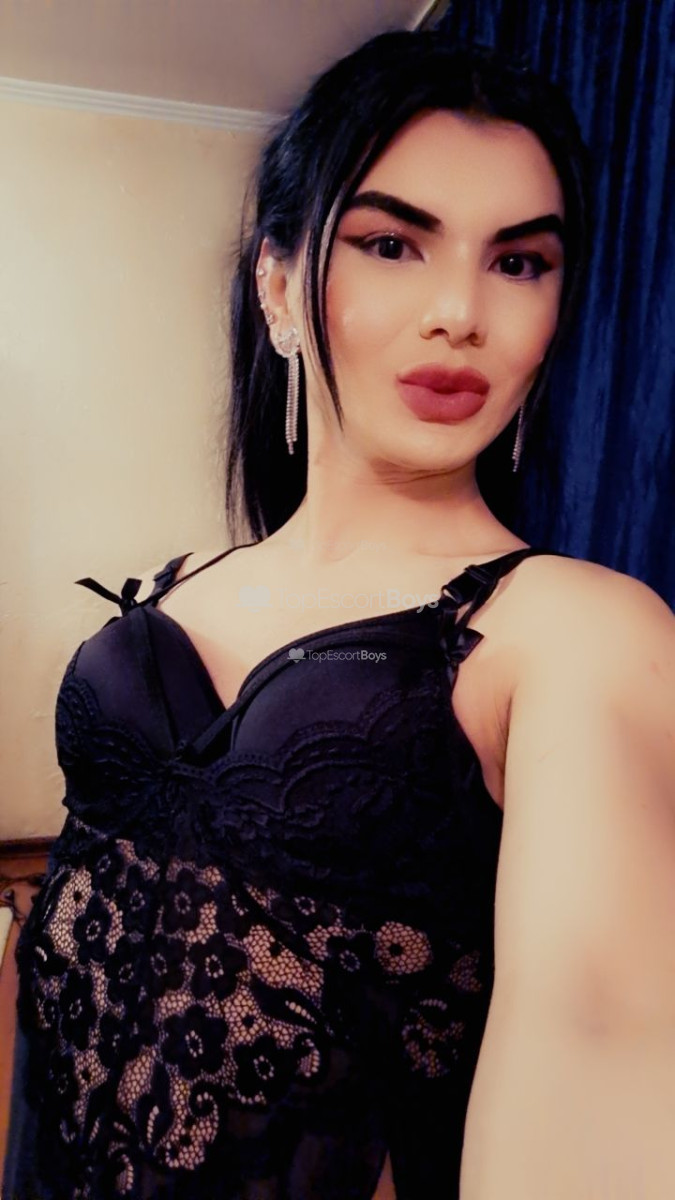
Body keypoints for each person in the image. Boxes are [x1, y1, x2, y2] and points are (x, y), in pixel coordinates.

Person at [4, 27, 674, 1200]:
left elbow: (602, 1084)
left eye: (520, 262)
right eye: (391, 243)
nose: (459, 311)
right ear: (278, 284)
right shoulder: (171, 585)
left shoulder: (579, 638)